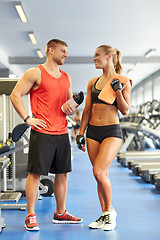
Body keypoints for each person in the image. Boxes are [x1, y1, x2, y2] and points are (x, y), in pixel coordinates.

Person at [10, 39, 83, 231]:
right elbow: (15, 95)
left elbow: (68, 106)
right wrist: (27, 118)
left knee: (62, 174)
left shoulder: (67, 76)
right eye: (62, 51)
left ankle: (60, 213)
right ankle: (31, 216)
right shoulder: (35, 73)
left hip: (62, 132)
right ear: (50, 50)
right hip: (42, 132)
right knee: (35, 174)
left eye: (67, 51)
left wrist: (72, 106)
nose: (66, 54)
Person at [76, 45, 132, 231]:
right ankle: (105, 214)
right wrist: (80, 133)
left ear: (109, 57)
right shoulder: (93, 82)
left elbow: (124, 110)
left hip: (111, 132)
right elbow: (86, 110)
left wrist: (117, 91)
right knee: (100, 177)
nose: (94, 59)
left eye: (97, 55)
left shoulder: (123, 81)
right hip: (92, 132)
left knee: (99, 172)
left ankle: (109, 214)